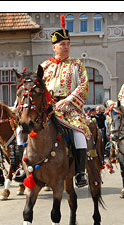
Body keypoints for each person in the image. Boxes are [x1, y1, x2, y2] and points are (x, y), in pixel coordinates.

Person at [37, 22, 91, 187]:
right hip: (48, 108)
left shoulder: (77, 64)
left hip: (69, 109)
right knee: (23, 129)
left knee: (79, 134)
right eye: (62, 44)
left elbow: (84, 85)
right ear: (54, 47)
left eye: (68, 44)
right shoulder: (44, 66)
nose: (66, 47)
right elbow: (36, 87)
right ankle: (23, 167)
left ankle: (80, 173)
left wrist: (68, 100)